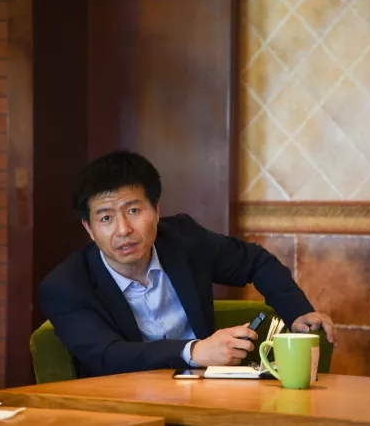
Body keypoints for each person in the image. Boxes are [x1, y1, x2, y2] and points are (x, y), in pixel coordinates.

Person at [39, 150, 335, 378]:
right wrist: (194, 351)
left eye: (134, 210)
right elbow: (107, 355)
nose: (123, 229)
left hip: (205, 398)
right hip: (124, 407)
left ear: (156, 211)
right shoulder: (65, 287)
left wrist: (298, 311)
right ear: (89, 229)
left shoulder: (184, 240)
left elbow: (256, 261)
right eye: (106, 218)